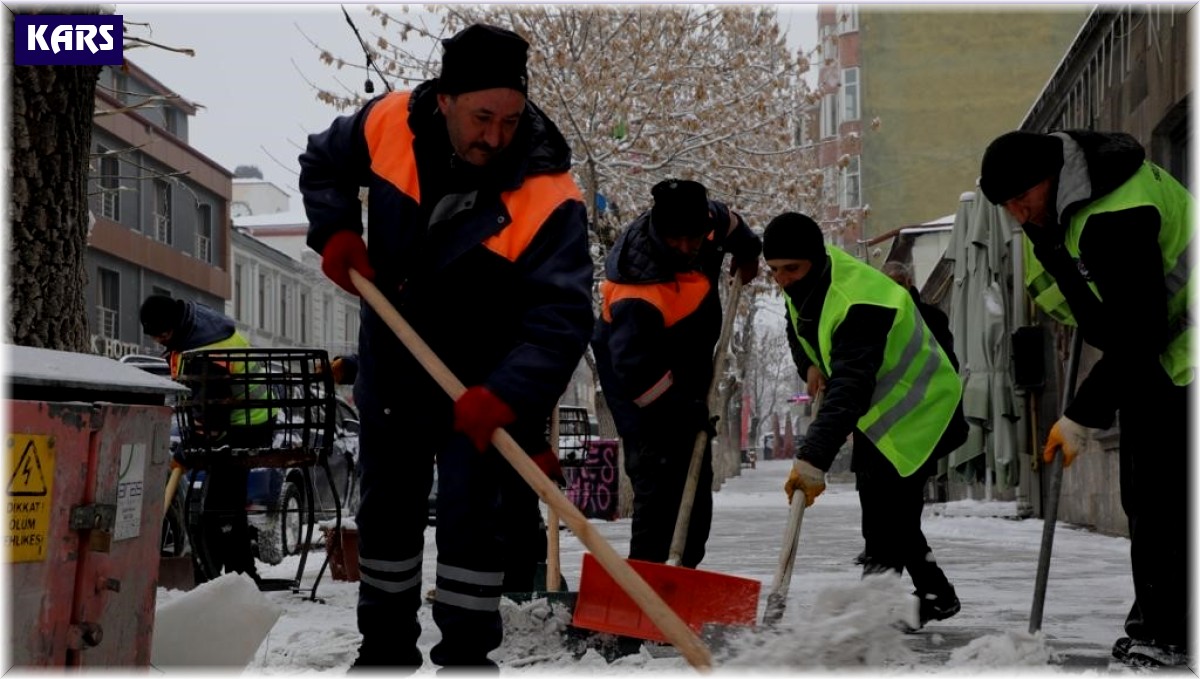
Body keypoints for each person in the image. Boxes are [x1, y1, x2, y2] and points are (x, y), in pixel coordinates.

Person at [298, 23, 594, 670]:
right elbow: (323, 162)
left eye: (511, 120)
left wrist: (507, 394)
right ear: (444, 100)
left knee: (471, 524)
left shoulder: (548, 194)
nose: (495, 136)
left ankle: (466, 657)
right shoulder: (387, 125)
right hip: (396, 366)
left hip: (480, 383)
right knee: (389, 519)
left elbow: (563, 317)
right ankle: (383, 653)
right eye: (482, 117)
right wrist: (337, 231)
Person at [980, 130, 1192, 667]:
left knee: (1165, 501)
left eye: (1020, 199)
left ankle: (1171, 635)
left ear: (1048, 178)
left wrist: (1080, 415)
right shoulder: (1064, 209)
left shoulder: (1115, 212)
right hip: (1160, 353)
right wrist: (1049, 244)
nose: (1017, 214)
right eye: (1006, 205)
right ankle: (1159, 623)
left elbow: (1137, 330)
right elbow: (1103, 318)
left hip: (1184, 351)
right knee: (1147, 498)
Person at [764, 212, 967, 629]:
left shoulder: (859, 301)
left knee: (887, 521)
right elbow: (794, 322)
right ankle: (933, 594)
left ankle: (871, 618)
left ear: (815, 260)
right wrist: (808, 366)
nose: (782, 280)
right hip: (880, 416)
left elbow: (851, 389)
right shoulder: (803, 282)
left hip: (921, 412)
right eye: (774, 270)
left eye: (791, 269)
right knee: (886, 515)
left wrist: (813, 458)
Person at [592, 178, 761, 568]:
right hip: (644, 402)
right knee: (660, 506)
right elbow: (637, 376)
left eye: (695, 238)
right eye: (676, 240)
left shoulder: (708, 223)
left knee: (694, 513)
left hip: (685, 376)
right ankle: (643, 602)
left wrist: (749, 251)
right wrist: (685, 412)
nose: (687, 248)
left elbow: (732, 224)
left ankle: (681, 583)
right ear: (657, 227)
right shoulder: (638, 289)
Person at [139, 294, 272, 584]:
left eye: (163, 334)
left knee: (218, 505)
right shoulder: (194, 328)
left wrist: (188, 452)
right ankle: (238, 573)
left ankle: (219, 577)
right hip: (241, 421)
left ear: (175, 324)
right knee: (224, 502)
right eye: (155, 336)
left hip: (246, 425)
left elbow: (211, 418)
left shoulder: (205, 353)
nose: (160, 341)